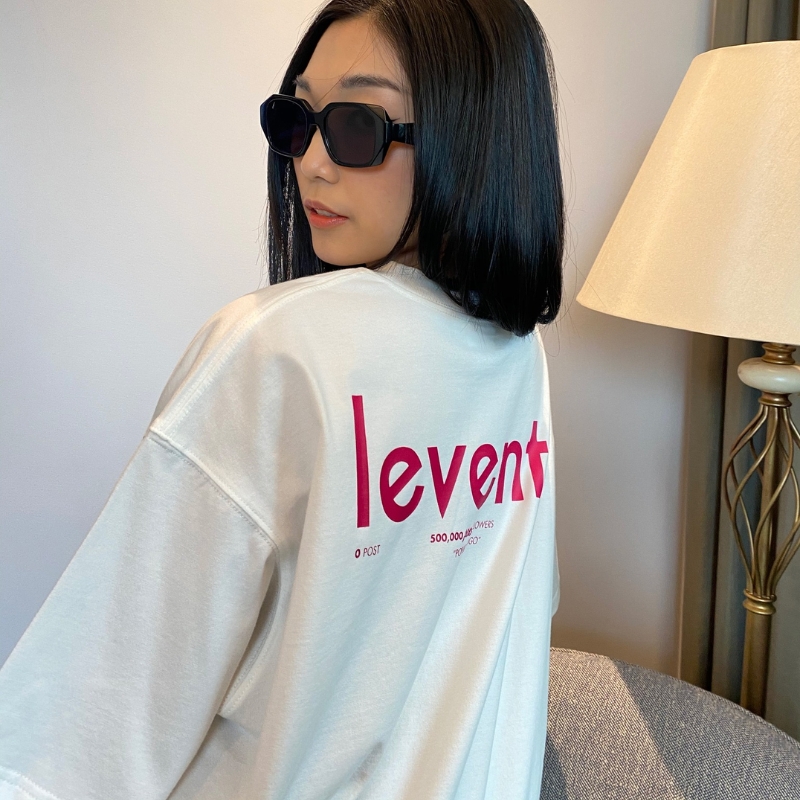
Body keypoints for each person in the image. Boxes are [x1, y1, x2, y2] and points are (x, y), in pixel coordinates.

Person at [0, 0, 564, 797]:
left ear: (473, 140)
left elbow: (85, 730)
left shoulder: (275, 350)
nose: (312, 164)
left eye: (359, 127)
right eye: (296, 120)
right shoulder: (517, 355)